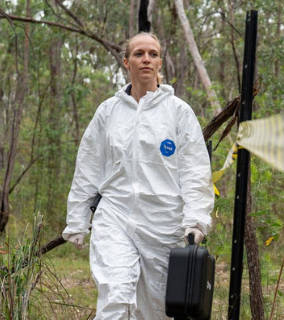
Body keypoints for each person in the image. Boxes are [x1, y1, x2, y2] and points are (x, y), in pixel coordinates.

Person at [62, 32, 214, 319]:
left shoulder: (178, 113)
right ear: (126, 62)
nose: (146, 59)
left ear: (160, 64)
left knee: (157, 309)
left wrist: (195, 220)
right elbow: (88, 166)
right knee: (115, 296)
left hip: (163, 223)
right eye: (139, 53)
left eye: (153, 54)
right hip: (115, 217)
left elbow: (195, 170)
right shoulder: (108, 112)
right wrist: (77, 220)